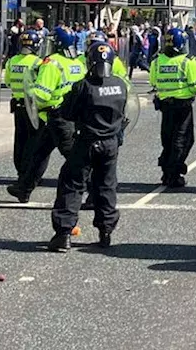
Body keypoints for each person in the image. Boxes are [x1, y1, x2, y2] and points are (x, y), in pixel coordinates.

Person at [48, 42, 127, 251]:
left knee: (72, 184)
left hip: (86, 141)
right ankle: (106, 231)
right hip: (111, 142)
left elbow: (68, 113)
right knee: (106, 186)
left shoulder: (83, 86)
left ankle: (63, 233)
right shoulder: (120, 85)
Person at [7, 25, 86, 203]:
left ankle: (94, 192)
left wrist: (30, 95)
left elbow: (42, 94)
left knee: (74, 157)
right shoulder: (77, 63)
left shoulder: (52, 63)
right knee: (39, 153)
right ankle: (24, 188)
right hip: (67, 115)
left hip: (56, 115)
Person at [151, 27, 196, 188]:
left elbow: (153, 82)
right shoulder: (187, 62)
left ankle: (166, 171)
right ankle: (174, 173)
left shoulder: (157, 61)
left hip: (165, 106)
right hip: (183, 106)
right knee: (183, 140)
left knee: (167, 139)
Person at [4, 31, 42, 178]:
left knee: (20, 140)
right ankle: (29, 172)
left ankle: (20, 170)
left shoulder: (12, 61)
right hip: (32, 106)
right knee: (33, 140)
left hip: (18, 105)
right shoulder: (37, 62)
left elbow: (7, 82)